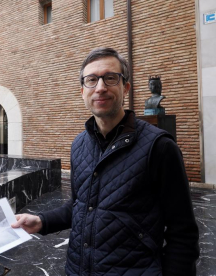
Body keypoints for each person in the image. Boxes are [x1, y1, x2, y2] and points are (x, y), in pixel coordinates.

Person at [11, 47, 199, 275]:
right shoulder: (79, 145)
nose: (100, 87)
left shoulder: (159, 147)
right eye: (91, 80)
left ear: (125, 87)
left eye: (110, 78)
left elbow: (183, 234)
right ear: (82, 91)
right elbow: (80, 206)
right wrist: (41, 221)